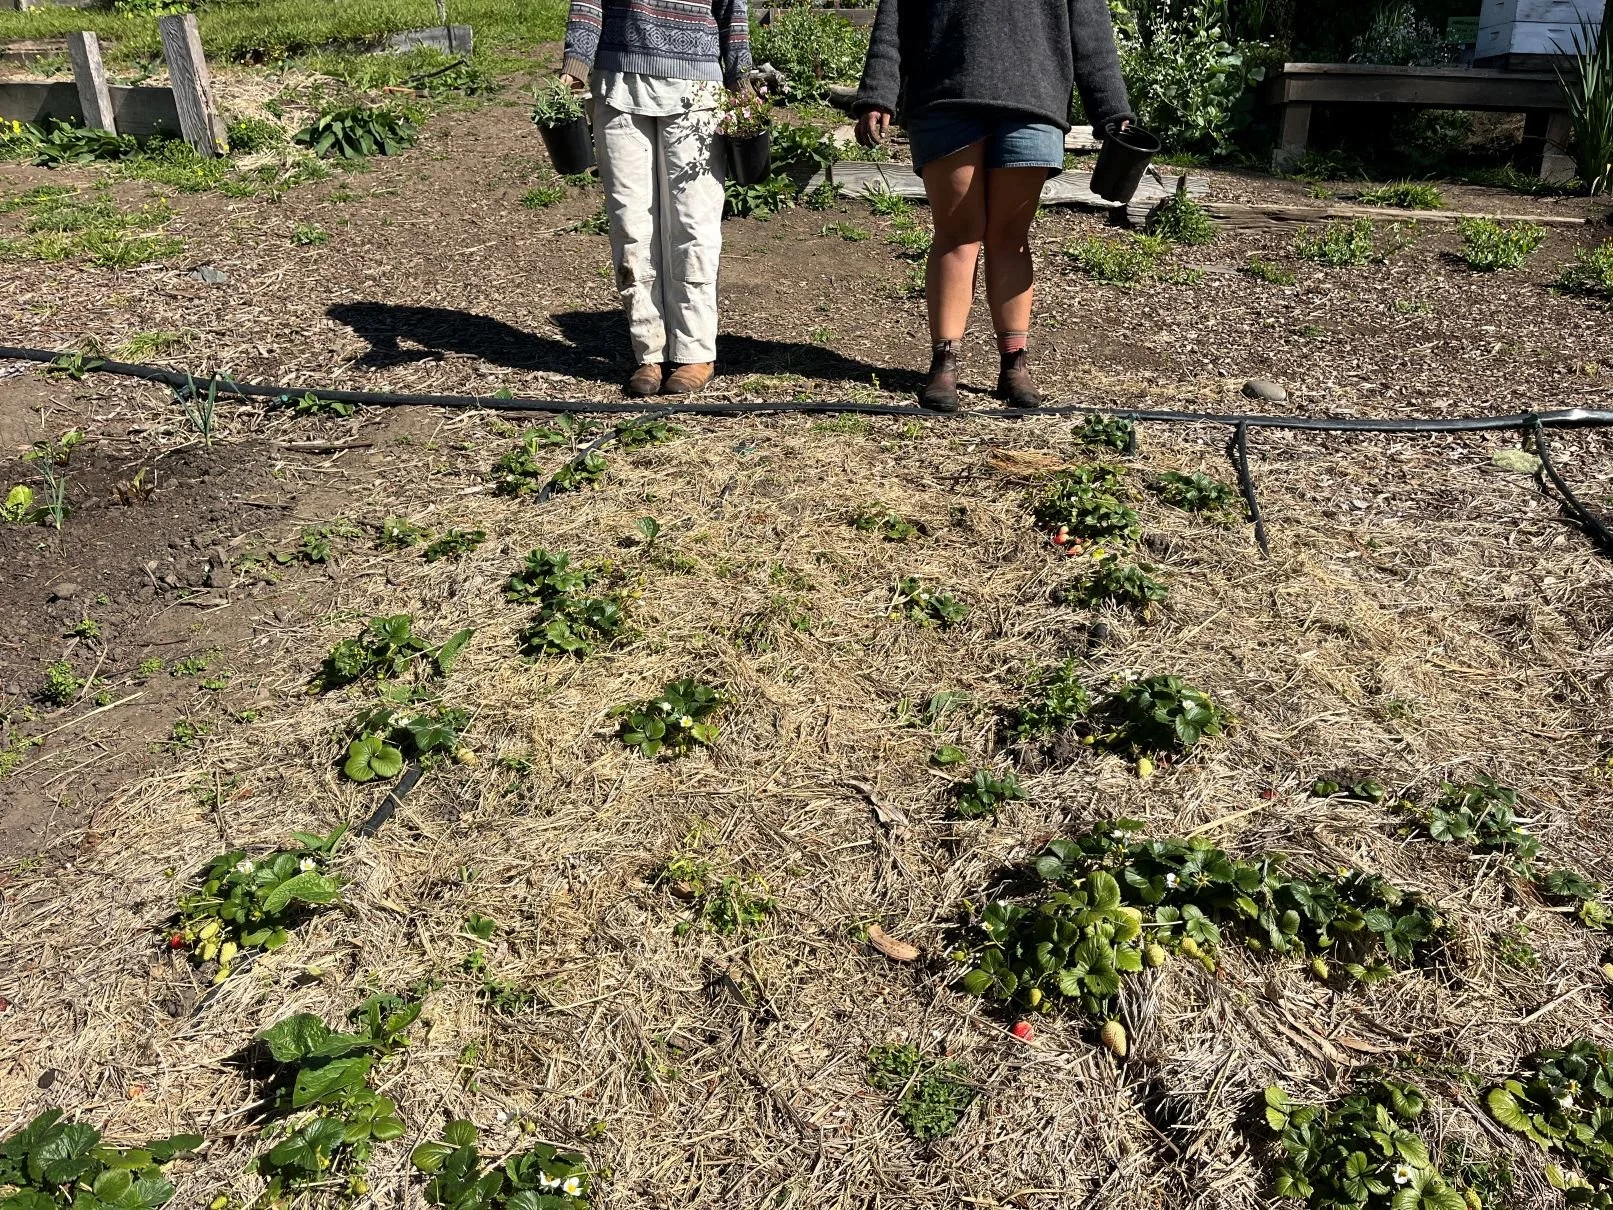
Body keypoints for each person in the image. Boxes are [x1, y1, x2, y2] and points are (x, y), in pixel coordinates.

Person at [853, 0, 1134, 412]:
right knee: (957, 233)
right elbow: (896, 14)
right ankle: (943, 364)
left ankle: (1013, 364)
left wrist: (1111, 108)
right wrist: (878, 91)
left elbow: (1090, 25)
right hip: (945, 92)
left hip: (1033, 97)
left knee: (1010, 235)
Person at [561, 0, 751, 397]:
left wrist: (742, 80)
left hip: (696, 91)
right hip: (618, 83)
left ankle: (695, 351)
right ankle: (649, 352)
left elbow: (732, 10)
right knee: (631, 225)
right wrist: (574, 67)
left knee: (693, 223)